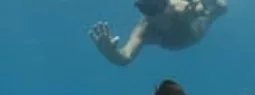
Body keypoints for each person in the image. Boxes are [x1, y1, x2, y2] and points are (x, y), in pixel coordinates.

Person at [88, 0, 228, 66]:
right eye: (144, 10)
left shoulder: (181, 7)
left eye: (154, 9)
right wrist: (110, 53)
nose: (151, 16)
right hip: (178, 40)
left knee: (221, 7)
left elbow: (216, 8)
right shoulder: (146, 29)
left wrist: (203, 10)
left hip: (194, 27)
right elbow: (125, 57)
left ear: (165, 4)